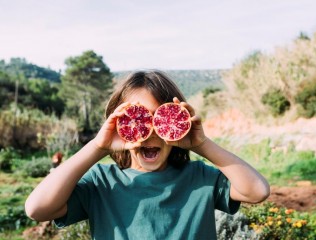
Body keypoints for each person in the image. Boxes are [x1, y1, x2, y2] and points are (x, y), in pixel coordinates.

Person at [25, 70, 270, 239]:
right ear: (116, 124)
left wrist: (202, 144)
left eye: (160, 119)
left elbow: (257, 191)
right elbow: (37, 209)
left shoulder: (200, 178)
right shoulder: (101, 183)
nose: (149, 133)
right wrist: (97, 147)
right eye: (136, 120)